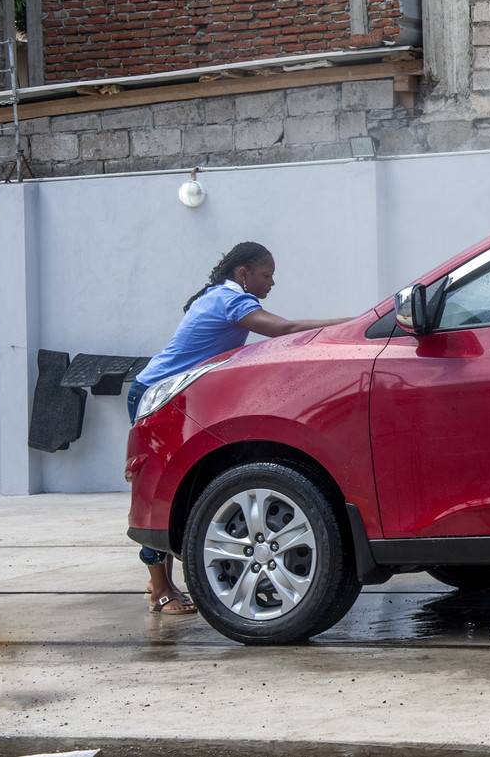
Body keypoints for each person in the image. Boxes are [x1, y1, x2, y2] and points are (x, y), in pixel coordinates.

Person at [127, 242, 350, 615]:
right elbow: (284, 329)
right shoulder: (230, 300)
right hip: (155, 393)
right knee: (158, 486)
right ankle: (161, 587)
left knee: (168, 482)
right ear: (243, 273)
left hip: (164, 391)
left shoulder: (219, 296)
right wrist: (352, 325)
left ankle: (159, 581)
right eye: (267, 274)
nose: (272, 282)